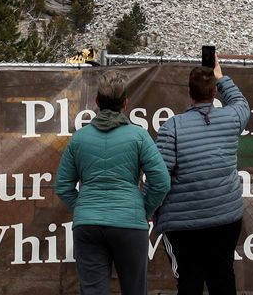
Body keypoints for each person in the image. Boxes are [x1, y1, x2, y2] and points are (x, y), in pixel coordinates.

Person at [56, 71, 170, 295]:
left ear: (97, 102)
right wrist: (144, 210)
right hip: (130, 222)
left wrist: (83, 208)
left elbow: (63, 185)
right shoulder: (139, 137)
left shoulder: (79, 138)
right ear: (125, 103)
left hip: (88, 225)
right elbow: (161, 182)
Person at [154, 56, 251, 295]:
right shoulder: (231, 118)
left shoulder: (172, 127)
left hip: (182, 225)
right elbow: (240, 102)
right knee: (223, 279)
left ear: (190, 93)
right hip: (225, 218)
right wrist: (221, 76)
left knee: (189, 281)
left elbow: (159, 177)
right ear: (215, 93)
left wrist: (148, 210)